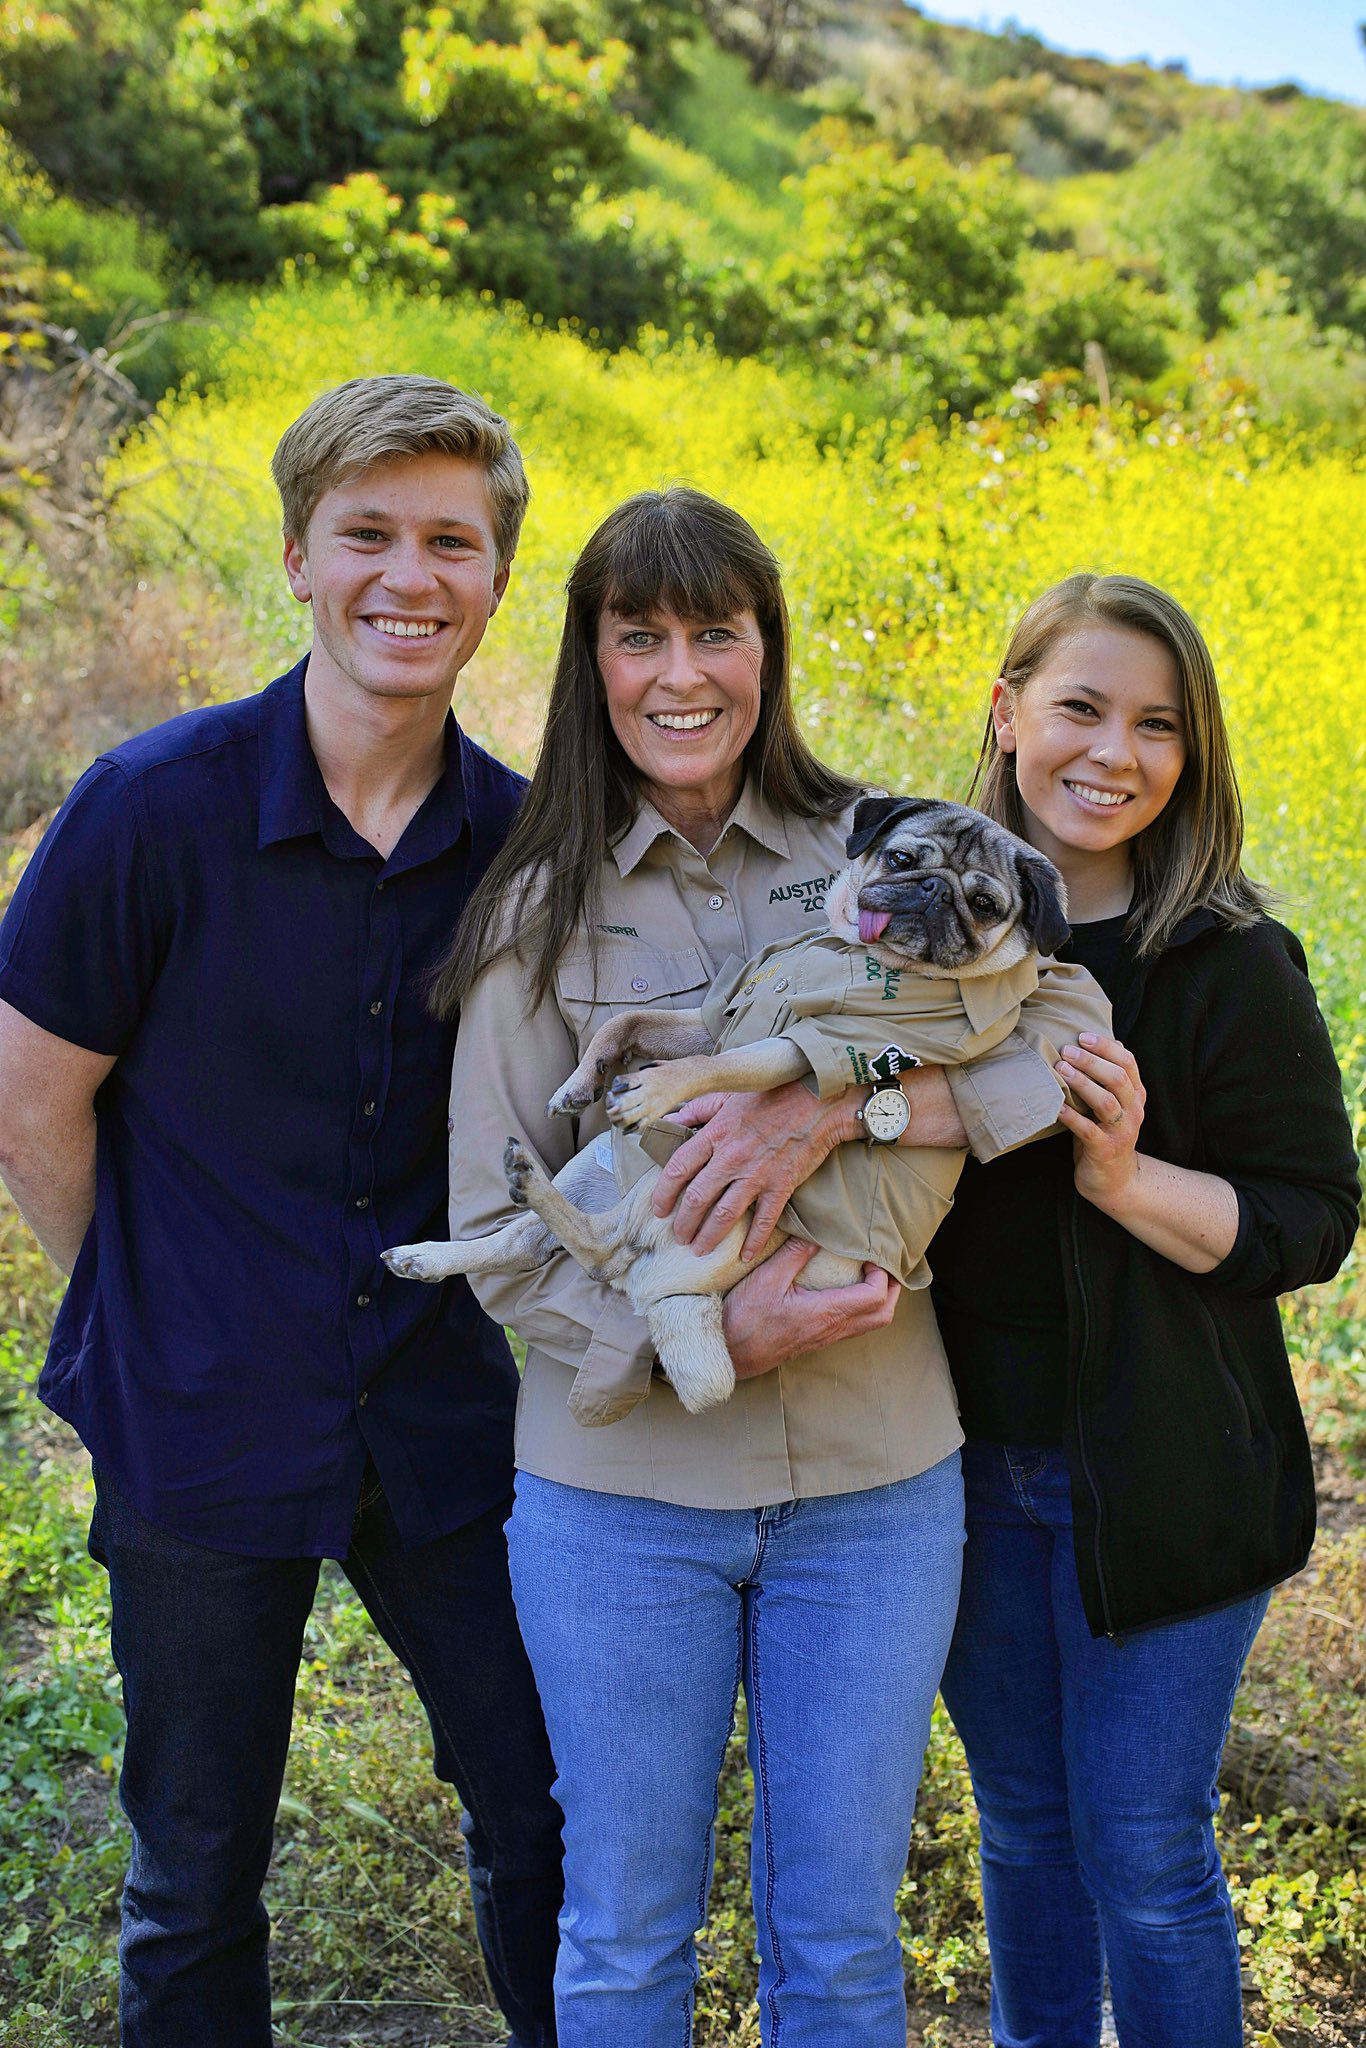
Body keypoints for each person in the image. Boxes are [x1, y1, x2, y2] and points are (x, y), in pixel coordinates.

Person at [425, 486, 1110, 2047]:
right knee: (620, 1934)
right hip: (622, 1510)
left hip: (872, 1494)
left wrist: (857, 1102)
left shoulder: (886, 846)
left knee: (843, 1944)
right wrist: (708, 1326)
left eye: (716, 633)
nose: (683, 673)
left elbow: (1060, 1041)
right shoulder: (536, 905)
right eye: (640, 635)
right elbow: (496, 1231)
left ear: (767, 651)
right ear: (589, 661)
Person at [0, 375, 564, 2048]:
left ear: (493, 580)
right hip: (199, 1414)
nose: (410, 575)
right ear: (300, 561)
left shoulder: (526, 839)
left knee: (544, 1806)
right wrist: (161, 1310)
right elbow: (35, 1111)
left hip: (448, 1414)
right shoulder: (149, 808)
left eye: (450, 542)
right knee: (193, 1868)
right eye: (367, 535)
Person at [927, 572, 1360, 2048]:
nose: (1112, 753)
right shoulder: (922, 944)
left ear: (1191, 755)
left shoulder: (1228, 961)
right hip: (955, 1475)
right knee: (1025, 1831)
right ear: (1005, 713)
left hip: (1167, 1476)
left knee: (1143, 1856)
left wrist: (1121, 1175)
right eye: (1078, 708)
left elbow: (1310, 1220)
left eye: (1155, 725)